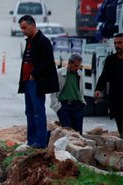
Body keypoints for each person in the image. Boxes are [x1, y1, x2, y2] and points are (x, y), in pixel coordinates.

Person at [18, 15, 59, 148]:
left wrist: (34, 75)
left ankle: (40, 141)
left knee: (38, 112)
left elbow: (47, 61)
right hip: (27, 82)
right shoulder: (29, 41)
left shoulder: (42, 41)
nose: (23, 30)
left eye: (25, 27)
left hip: (36, 82)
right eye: (21, 28)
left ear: (32, 25)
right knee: (29, 112)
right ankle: (31, 140)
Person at [95, 33, 123, 138]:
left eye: (120, 43)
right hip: (116, 99)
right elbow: (104, 76)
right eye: (115, 43)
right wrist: (98, 89)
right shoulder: (111, 60)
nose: (117, 45)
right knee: (120, 124)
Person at [50, 54, 86, 134]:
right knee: (67, 131)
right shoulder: (59, 73)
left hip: (77, 105)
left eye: (79, 66)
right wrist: (57, 107)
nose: (77, 68)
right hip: (64, 106)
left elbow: (81, 90)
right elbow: (53, 92)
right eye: (76, 66)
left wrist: (82, 103)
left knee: (78, 132)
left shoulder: (79, 74)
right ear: (69, 63)